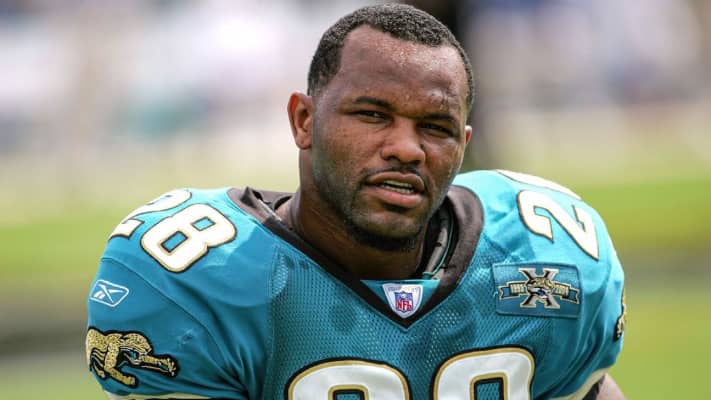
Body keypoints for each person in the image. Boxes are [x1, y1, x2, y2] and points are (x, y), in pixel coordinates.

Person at [86, 4, 626, 399]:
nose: (406, 148)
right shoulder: (199, 278)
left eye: (435, 127)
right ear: (304, 121)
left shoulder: (544, 251)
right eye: (372, 115)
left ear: (463, 145)